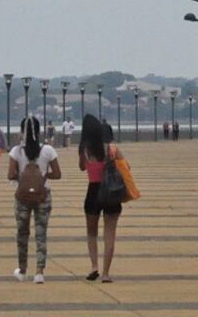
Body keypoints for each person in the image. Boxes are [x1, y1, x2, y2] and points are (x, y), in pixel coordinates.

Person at [8, 116, 61, 284]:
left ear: (22, 131)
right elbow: (58, 174)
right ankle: (39, 272)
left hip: (22, 197)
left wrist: (23, 178)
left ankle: (22, 271)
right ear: (39, 131)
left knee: (22, 233)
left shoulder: (16, 151)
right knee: (41, 233)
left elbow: (10, 175)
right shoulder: (47, 150)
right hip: (43, 196)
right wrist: (42, 176)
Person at [78, 114, 123, 283]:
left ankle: (94, 266)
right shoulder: (111, 149)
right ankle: (106, 273)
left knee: (91, 232)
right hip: (111, 192)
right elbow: (126, 167)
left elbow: (82, 167)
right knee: (109, 233)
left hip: (93, 191)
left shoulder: (85, 149)